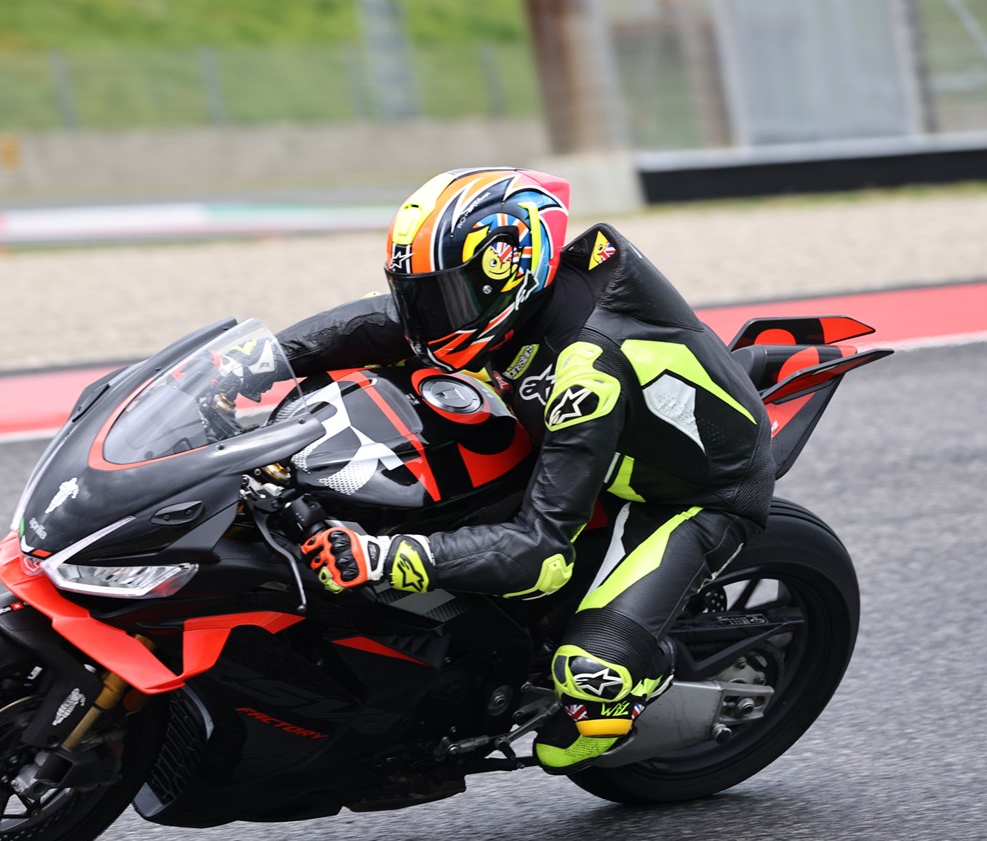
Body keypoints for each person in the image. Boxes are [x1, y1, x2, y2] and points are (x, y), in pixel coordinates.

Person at [280, 167, 774, 773]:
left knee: (590, 675)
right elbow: (377, 322)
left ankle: (634, 692)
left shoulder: (586, 370)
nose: (425, 318)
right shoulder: (509, 303)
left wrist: (385, 558)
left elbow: (540, 554)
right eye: (420, 294)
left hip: (690, 494)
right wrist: (262, 362)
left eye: (443, 299)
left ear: (514, 272)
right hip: (586, 439)